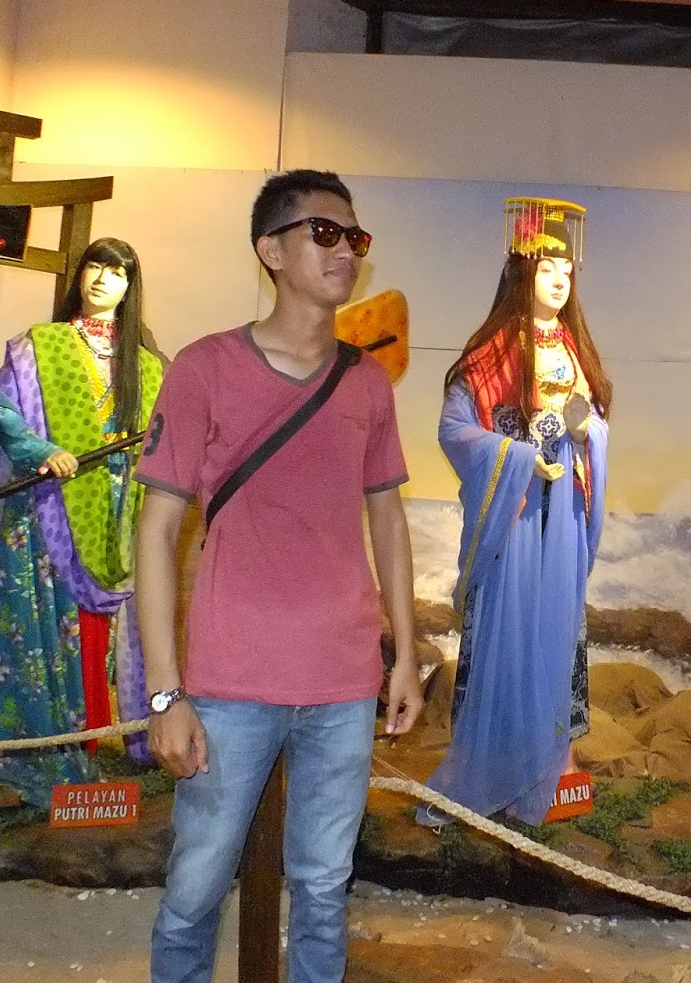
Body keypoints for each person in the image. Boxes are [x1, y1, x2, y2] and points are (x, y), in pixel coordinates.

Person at [134, 169, 422, 983]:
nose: (346, 251)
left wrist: (405, 653)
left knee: (325, 888)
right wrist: (164, 693)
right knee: (195, 888)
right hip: (231, 680)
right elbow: (156, 530)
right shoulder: (205, 368)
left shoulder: (367, 382)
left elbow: (388, 519)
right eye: (324, 233)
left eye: (354, 237)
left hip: (343, 680)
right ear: (270, 249)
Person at [0, 237, 163, 808]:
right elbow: (0, 407)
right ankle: (32, 748)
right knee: (41, 621)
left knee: (96, 633)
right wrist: (40, 450)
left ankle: (88, 740)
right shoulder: (39, 346)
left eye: (118, 271)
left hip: (115, 517)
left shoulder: (147, 365)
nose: (104, 278)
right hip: (48, 509)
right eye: (95, 266)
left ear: (130, 287)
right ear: (80, 274)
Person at [422, 197, 611, 826]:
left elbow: (593, 421)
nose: (559, 280)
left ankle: (551, 767)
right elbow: (455, 430)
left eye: (567, 271)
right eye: (546, 268)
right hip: (517, 514)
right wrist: (518, 457)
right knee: (507, 632)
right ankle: (491, 768)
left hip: (562, 518)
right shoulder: (490, 356)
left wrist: (581, 431)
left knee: (557, 630)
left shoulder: (574, 351)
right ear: (522, 273)